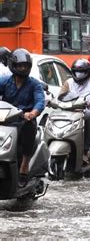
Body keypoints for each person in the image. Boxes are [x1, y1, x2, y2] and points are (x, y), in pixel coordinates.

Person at [0, 48, 45, 187]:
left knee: (29, 127)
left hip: (24, 119)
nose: (23, 68)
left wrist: (33, 113)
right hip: (6, 119)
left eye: (25, 66)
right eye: (20, 65)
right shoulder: (4, 81)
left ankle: (24, 165)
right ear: (13, 65)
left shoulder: (34, 84)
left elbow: (40, 101)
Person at [58, 58, 90, 165]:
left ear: (87, 72)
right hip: (69, 112)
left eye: (82, 72)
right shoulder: (68, 83)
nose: (79, 74)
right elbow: (60, 97)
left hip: (85, 112)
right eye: (77, 72)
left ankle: (85, 150)